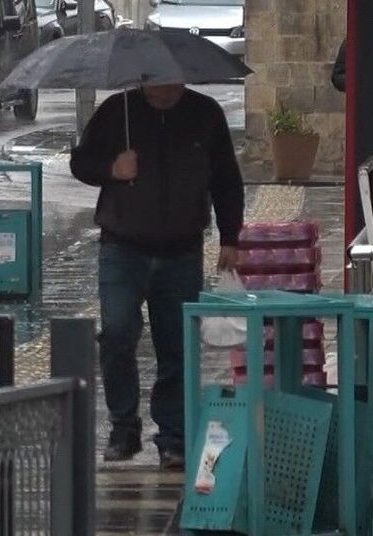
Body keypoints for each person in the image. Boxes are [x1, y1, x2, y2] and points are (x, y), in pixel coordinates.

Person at [70, 84, 244, 471]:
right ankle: (123, 426)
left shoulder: (205, 114)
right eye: (154, 82)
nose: (162, 90)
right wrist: (112, 169)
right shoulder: (119, 111)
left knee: (177, 345)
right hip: (122, 247)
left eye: (170, 82)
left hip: (181, 251)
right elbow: (81, 162)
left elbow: (227, 179)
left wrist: (231, 238)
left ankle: (173, 436)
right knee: (116, 333)